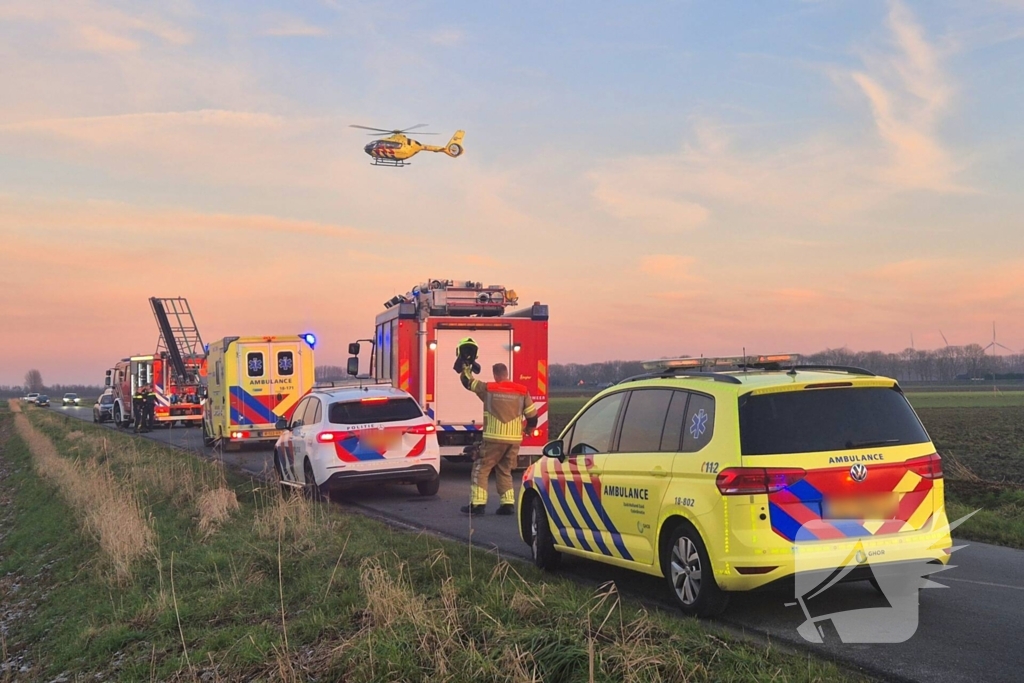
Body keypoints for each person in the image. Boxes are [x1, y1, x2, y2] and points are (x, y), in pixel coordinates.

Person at [459, 361, 539, 516]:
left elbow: (467, 382)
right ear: (507, 374)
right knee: (505, 470)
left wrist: (465, 367)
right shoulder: (522, 391)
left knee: (481, 468)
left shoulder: (489, 389)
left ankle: (478, 504)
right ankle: (507, 504)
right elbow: (533, 416)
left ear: (495, 375)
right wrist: (529, 430)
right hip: (514, 439)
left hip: (494, 438)